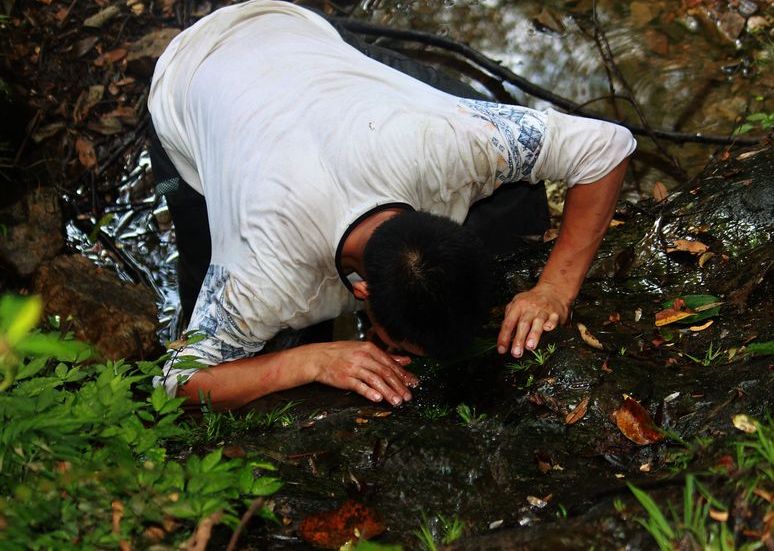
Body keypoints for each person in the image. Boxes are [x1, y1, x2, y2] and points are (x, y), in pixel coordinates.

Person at [148, 0, 636, 410]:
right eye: (400, 347)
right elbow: (176, 381)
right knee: (247, 318)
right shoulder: (261, 277)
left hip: (298, 34)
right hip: (187, 83)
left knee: (515, 206)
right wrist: (311, 361)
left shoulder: (453, 144)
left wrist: (554, 289)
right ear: (362, 293)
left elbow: (606, 147)